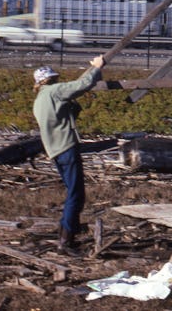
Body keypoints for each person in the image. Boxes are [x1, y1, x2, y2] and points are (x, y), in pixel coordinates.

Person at [32, 55, 105, 255]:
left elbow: (72, 95)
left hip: (55, 151)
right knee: (76, 195)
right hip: (66, 148)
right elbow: (83, 85)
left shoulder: (39, 100)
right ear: (49, 80)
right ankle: (66, 241)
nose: (57, 81)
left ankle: (66, 233)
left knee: (72, 193)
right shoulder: (54, 91)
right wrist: (97, 68)